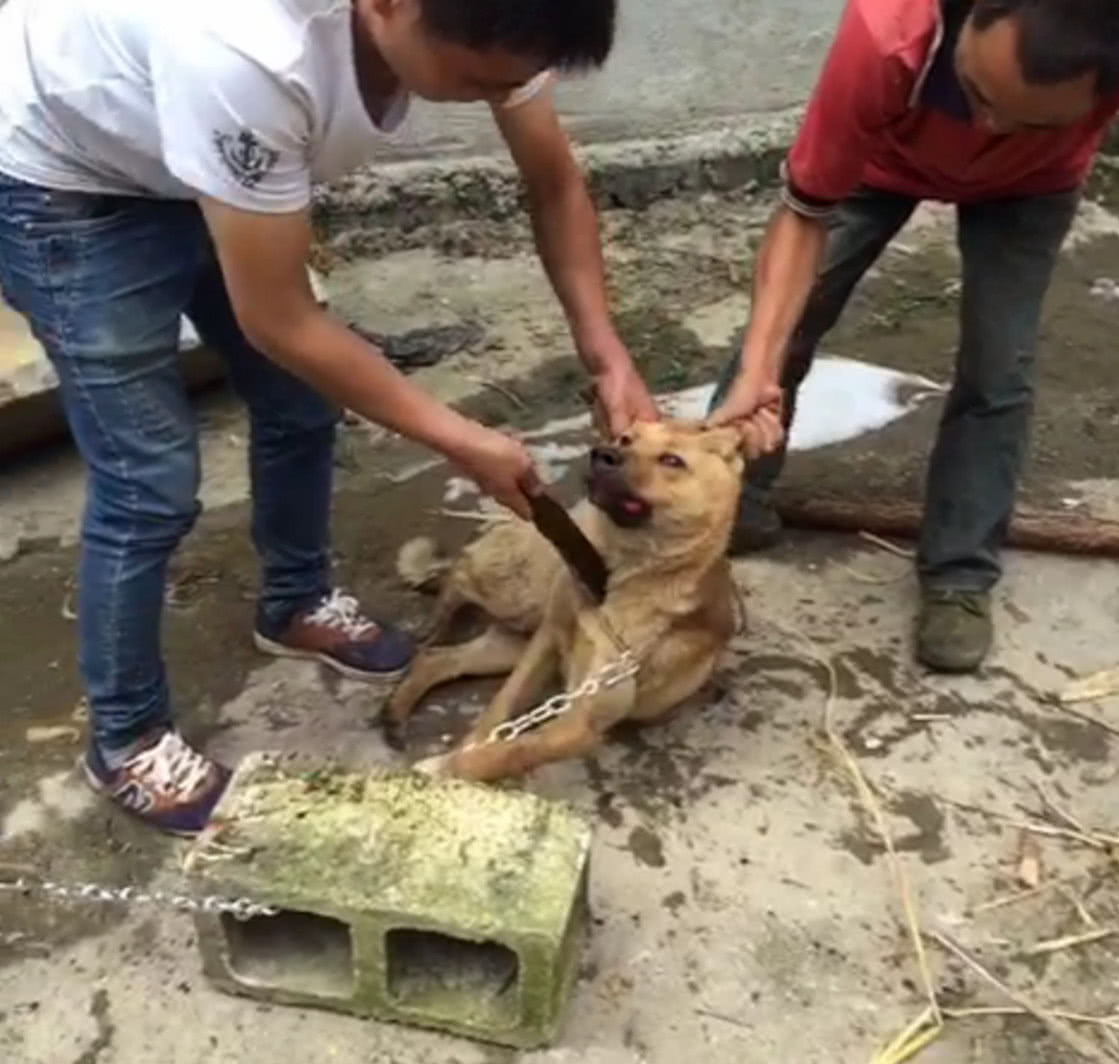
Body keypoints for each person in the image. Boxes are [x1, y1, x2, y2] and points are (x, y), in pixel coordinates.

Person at [0, 0, 658, 836]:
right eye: (474, 81)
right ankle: (126, 738)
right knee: (148, 482)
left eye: (509, 85)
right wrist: (458, 437)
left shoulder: (496, 22)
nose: (493, 98)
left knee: (302, 405)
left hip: (199, 138)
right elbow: (278, 319)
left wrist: (606, 354)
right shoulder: (249, 51)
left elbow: (554, 182)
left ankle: (295, 600)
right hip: (68, 175)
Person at [708, 0, 1119, 674]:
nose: (989, 128)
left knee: (998, 366)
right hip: (881, 162)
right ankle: (725, 503)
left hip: (1033, 188)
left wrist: (1031, 136)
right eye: (977, 93)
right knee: (790, 321)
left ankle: (959, 575)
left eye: (1031, 120)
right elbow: (805, 210)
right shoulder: (887, 31)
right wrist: (759, 365)